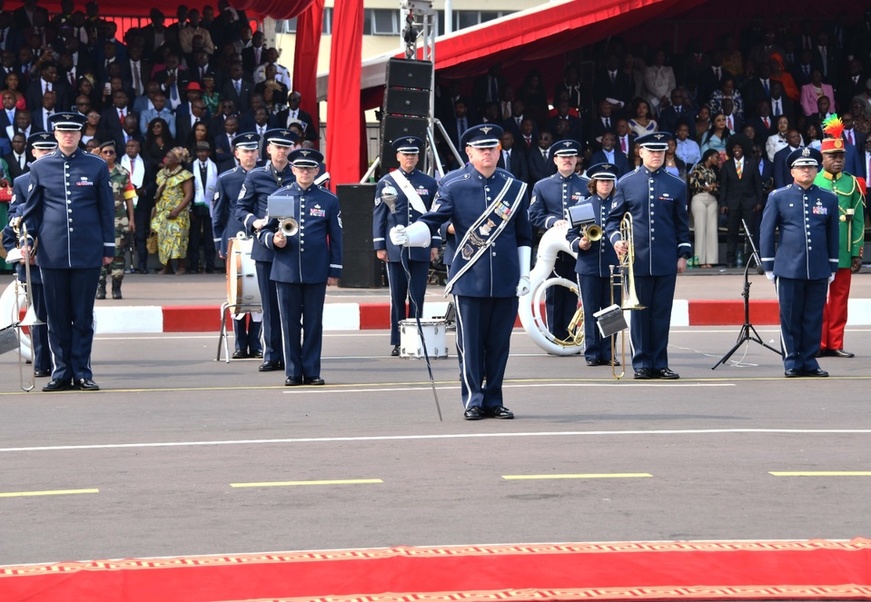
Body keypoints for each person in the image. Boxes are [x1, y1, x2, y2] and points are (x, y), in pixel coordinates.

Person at [390, 123, 532, 421]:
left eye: (492, 148)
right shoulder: (454, 184)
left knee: (499, 344)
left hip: (505, 278)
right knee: (470, 344)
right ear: (469, 152)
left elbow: (523, 235)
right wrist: (410, 233)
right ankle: (473, 399)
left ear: (499, 150)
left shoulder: (514, 187)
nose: (488, 154)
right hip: (470, 277)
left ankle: (494, 398)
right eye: (481, 149)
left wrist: (524, 274)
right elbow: (434, 219)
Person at [19, 112, 114, 392]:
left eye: (74, 132)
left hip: (87, 251)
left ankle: (83, 371)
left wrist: (108, 247)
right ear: (56, 134)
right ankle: (61, 372)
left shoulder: (96, 166)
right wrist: (27, 240)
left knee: (82, 316)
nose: (69, 136)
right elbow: (33, 211)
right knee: (57, 317)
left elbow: (106, 210)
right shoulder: (41, 167)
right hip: (53, 251)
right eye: (63, 132)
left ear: (80, 134)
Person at [605, 131, 691, 380]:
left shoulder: (676, 184)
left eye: (660, 152)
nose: (656, 155)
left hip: (665, 259)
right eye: (651, 151)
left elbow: (681, 225)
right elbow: (612, 221)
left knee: (661, 313)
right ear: (640, 152)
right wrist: (616, 240)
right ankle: (641, 363)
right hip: (637, 260)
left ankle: (660, 363)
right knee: (640, 314)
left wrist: (683, 254)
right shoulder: (626, 183)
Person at [258, 148, 342, 386]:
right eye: (300, 168)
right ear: (293, 169)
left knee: (314, 322)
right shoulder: (280, 196)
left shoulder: (328, 199)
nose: (305, 172)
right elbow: (264, 230)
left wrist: (334, 270)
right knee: (289, 322)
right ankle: (293, 372)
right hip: (286, 268)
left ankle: (312, 371)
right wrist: (273, 240)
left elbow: (336, 237)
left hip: (316, 269)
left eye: (310, 168)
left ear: (317, 171)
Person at [760, 147, 838, 377]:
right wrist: (768, 265)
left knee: (814, 316)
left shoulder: (828, 198)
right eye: (802, 167)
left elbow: (833, 235)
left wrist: (832, 265)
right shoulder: (778, 196)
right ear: (792, 171)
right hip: (788, 268)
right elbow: (766, 232)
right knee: (790, 316)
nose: (806, 170)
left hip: (818, 267)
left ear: (817, 169)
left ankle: (810, 360)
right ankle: (792, 361)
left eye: (811, 166)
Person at [236, 128, 298, 373]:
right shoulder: (256, 177)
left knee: (293, 305)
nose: (281, 152)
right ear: (269, 149)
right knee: (270, 306)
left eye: (286, 147)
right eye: (277, 147)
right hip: (266, 247)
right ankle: (272, 355)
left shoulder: (299, 173)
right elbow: (240, 209)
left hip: (293, 248)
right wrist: (255, 222)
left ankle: (294, 353)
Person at [372, 136, 440, 356]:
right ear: (398, 156)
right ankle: (398, 340)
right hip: (395, 249)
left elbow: (436, 216)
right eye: (405, 154)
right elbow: (379, 216)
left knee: (418, 295)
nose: (409, 158)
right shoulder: (387, 182)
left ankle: (417, 337)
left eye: (413, 154)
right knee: (397, 297)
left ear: (418, 157)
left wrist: (435, 244)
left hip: (421, 246)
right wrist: (380, 245)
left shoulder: (429, 183)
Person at [0, 132, 58, 379]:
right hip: (33, 260)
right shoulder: (23, 182)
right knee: (39, 317)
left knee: (66, 316)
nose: (44, 155)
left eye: (49, 150)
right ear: (33, 153)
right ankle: (42, 363)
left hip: (59, 257)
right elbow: (14, 219)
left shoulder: (64, 178)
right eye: (40, 151)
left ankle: (67, 365)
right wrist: (25, 250)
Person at [814, 119, 865, 358]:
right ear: (822, 159)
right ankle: (819, 343)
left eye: (841, 156)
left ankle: (835, 343)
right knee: (817, 300)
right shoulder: (813, 182)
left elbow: (859, 222)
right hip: (819, 252)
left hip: (844, 251)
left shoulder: (852, 183)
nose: (838, 160)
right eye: (833, 156)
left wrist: (857, 252)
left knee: (839, 300)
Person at [212, 132, 263, 360]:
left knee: (260, 293)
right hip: (236, 240)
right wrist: (220, 242)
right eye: (245, 151)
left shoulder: (266, 177)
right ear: (236, 154)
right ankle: (240, 344)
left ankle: (256, 342)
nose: (250, 155)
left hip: (262, 239)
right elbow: (218, 213)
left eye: (253, 151)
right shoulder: (226, 179)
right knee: (238, 292)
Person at [528, 138, 585, 342]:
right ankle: (554, 335)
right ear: (555, 160)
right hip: (553, 250)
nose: (567, 160)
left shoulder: (587, 185)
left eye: (571, 156)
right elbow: (533, 215)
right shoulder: (543, 186)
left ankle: (571, 335)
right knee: (553, 292)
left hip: (579, 246)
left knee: (574, 291)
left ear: (576, 159)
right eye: (563, 157)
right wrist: (552, 221)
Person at [566, 163, 621, 367]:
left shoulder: (619, 205)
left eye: (609, 181)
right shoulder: (583, 206)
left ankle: (609, 352)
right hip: (588, 266)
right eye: (601, 181)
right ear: (594, 183)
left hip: (613, 265)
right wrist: (579, 243)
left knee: (612, 311)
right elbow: (571, 235)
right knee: (590, 310)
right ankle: (592, 352)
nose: (605, 184)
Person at [96, 140, 135, 299]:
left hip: (119, 218)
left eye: (111, 152)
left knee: (118, 254)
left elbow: (129, 197)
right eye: (105, 152)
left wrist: (132, 219)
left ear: (115, 154)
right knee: (99, 254)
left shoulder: (123, 173)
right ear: (100, 154)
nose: (108, 155)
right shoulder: (95, 171)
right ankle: (100, 288)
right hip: (98, 219)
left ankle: (116, 288)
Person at [719, 136, 764, 268]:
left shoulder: (752, 162)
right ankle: (730, 260)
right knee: (732, 232)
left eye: (739, 147)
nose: (737, 150)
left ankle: (751, 259)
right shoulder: (727, 165)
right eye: (734, 148)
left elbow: (758, 183)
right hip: (732, 203)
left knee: (750, 232)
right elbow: (723, 186)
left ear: (744, 149)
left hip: (749, 203)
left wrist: (759, 201)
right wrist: (723, 203)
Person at [150, 146, 194, 275]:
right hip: (162, 211)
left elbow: (188, 195)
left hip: (179, 212)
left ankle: (181, 265)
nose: (166, 159)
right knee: (163, 238)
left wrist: (176, 210)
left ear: (177, 160)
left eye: (169, 157)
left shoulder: (184, 175)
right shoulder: (162, 173)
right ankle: (167, 266)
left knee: (179, 238)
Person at [688, 149, 722, 268]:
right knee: (700, 229)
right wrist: (705, 187)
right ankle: (700, 259)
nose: (717, 160)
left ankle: (711, 259)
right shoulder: (698, 167)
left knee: (712, 229)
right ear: (709, 157)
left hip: (712, 199)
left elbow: (720, 186)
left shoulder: (716, 170)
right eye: (715, 157)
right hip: (699, 197)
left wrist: (713, 188)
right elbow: (692, 183)